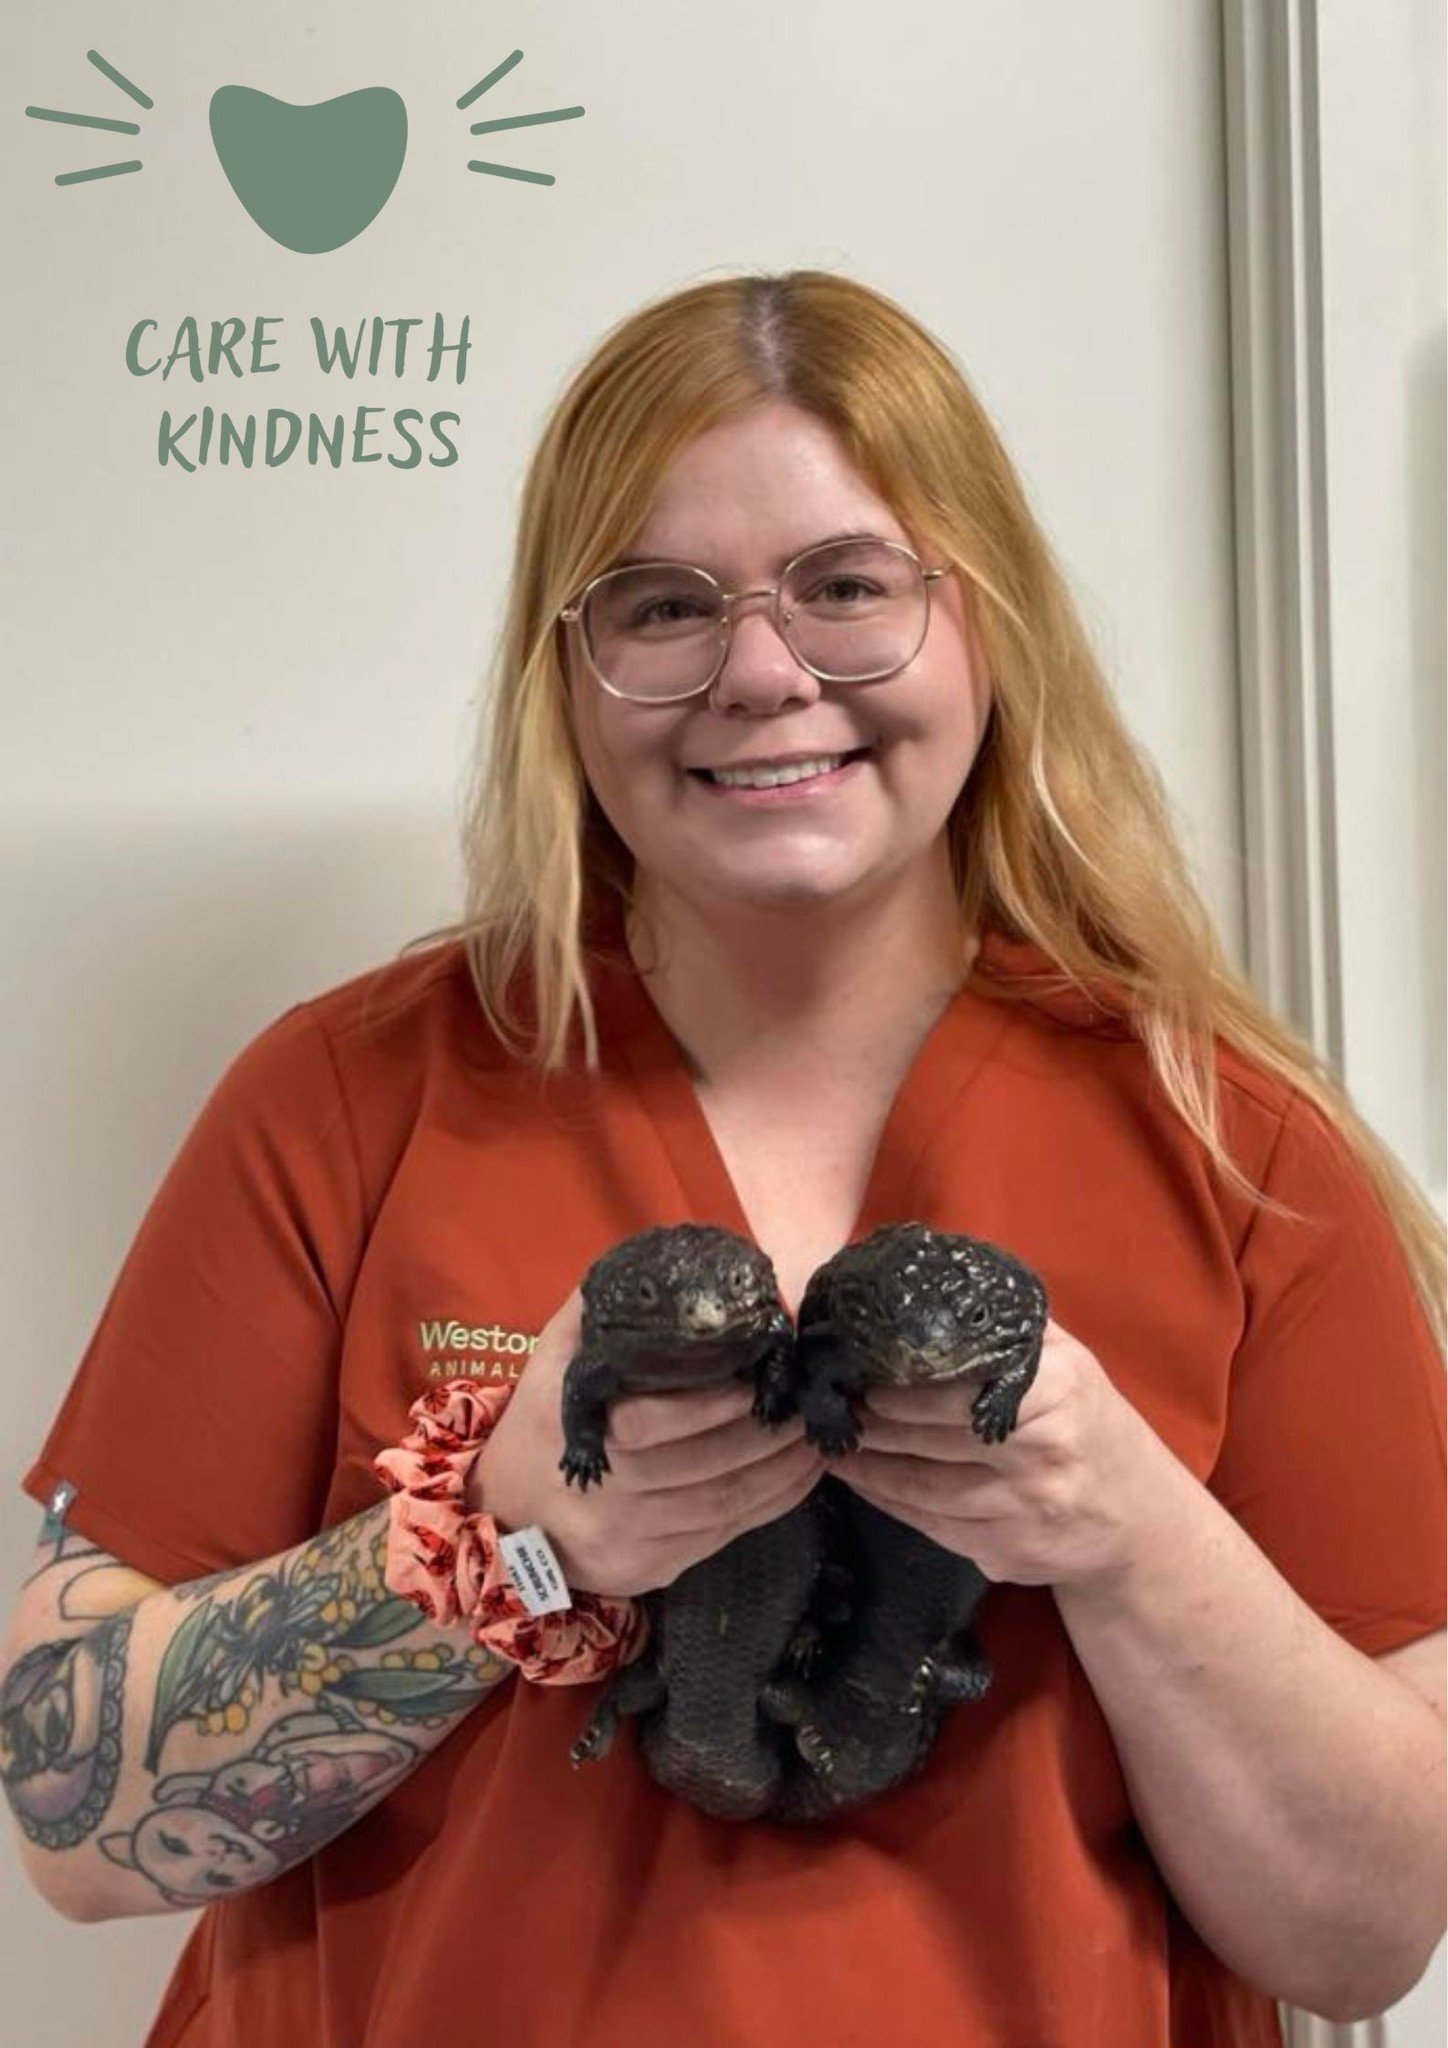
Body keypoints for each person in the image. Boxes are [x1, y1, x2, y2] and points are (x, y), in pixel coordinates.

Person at [1, 268, 1444, 2048]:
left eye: (848, 587)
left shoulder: (1237, 1150)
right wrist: (496, 1532)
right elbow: (67, 1820)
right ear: (570, 670)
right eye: (664, 606)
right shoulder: (346, 1099)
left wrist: (1127, 1531)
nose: (764, 675)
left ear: (984, 623)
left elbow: (1369, 1936)